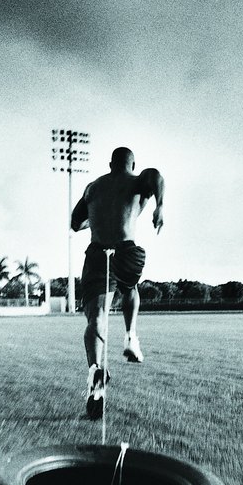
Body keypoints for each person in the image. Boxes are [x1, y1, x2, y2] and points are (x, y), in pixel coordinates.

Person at [71, 146, 164, 419]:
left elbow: (75, 223)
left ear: (110, 163)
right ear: (132, 164)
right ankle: (130, 337)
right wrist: (159, 207)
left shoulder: (93, 187)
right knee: (130, 287)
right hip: (126, 250)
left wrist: (96, 221)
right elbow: (156, 176)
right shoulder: (138, 181)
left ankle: (94, 372)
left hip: (98, 253)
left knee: (95, 319)